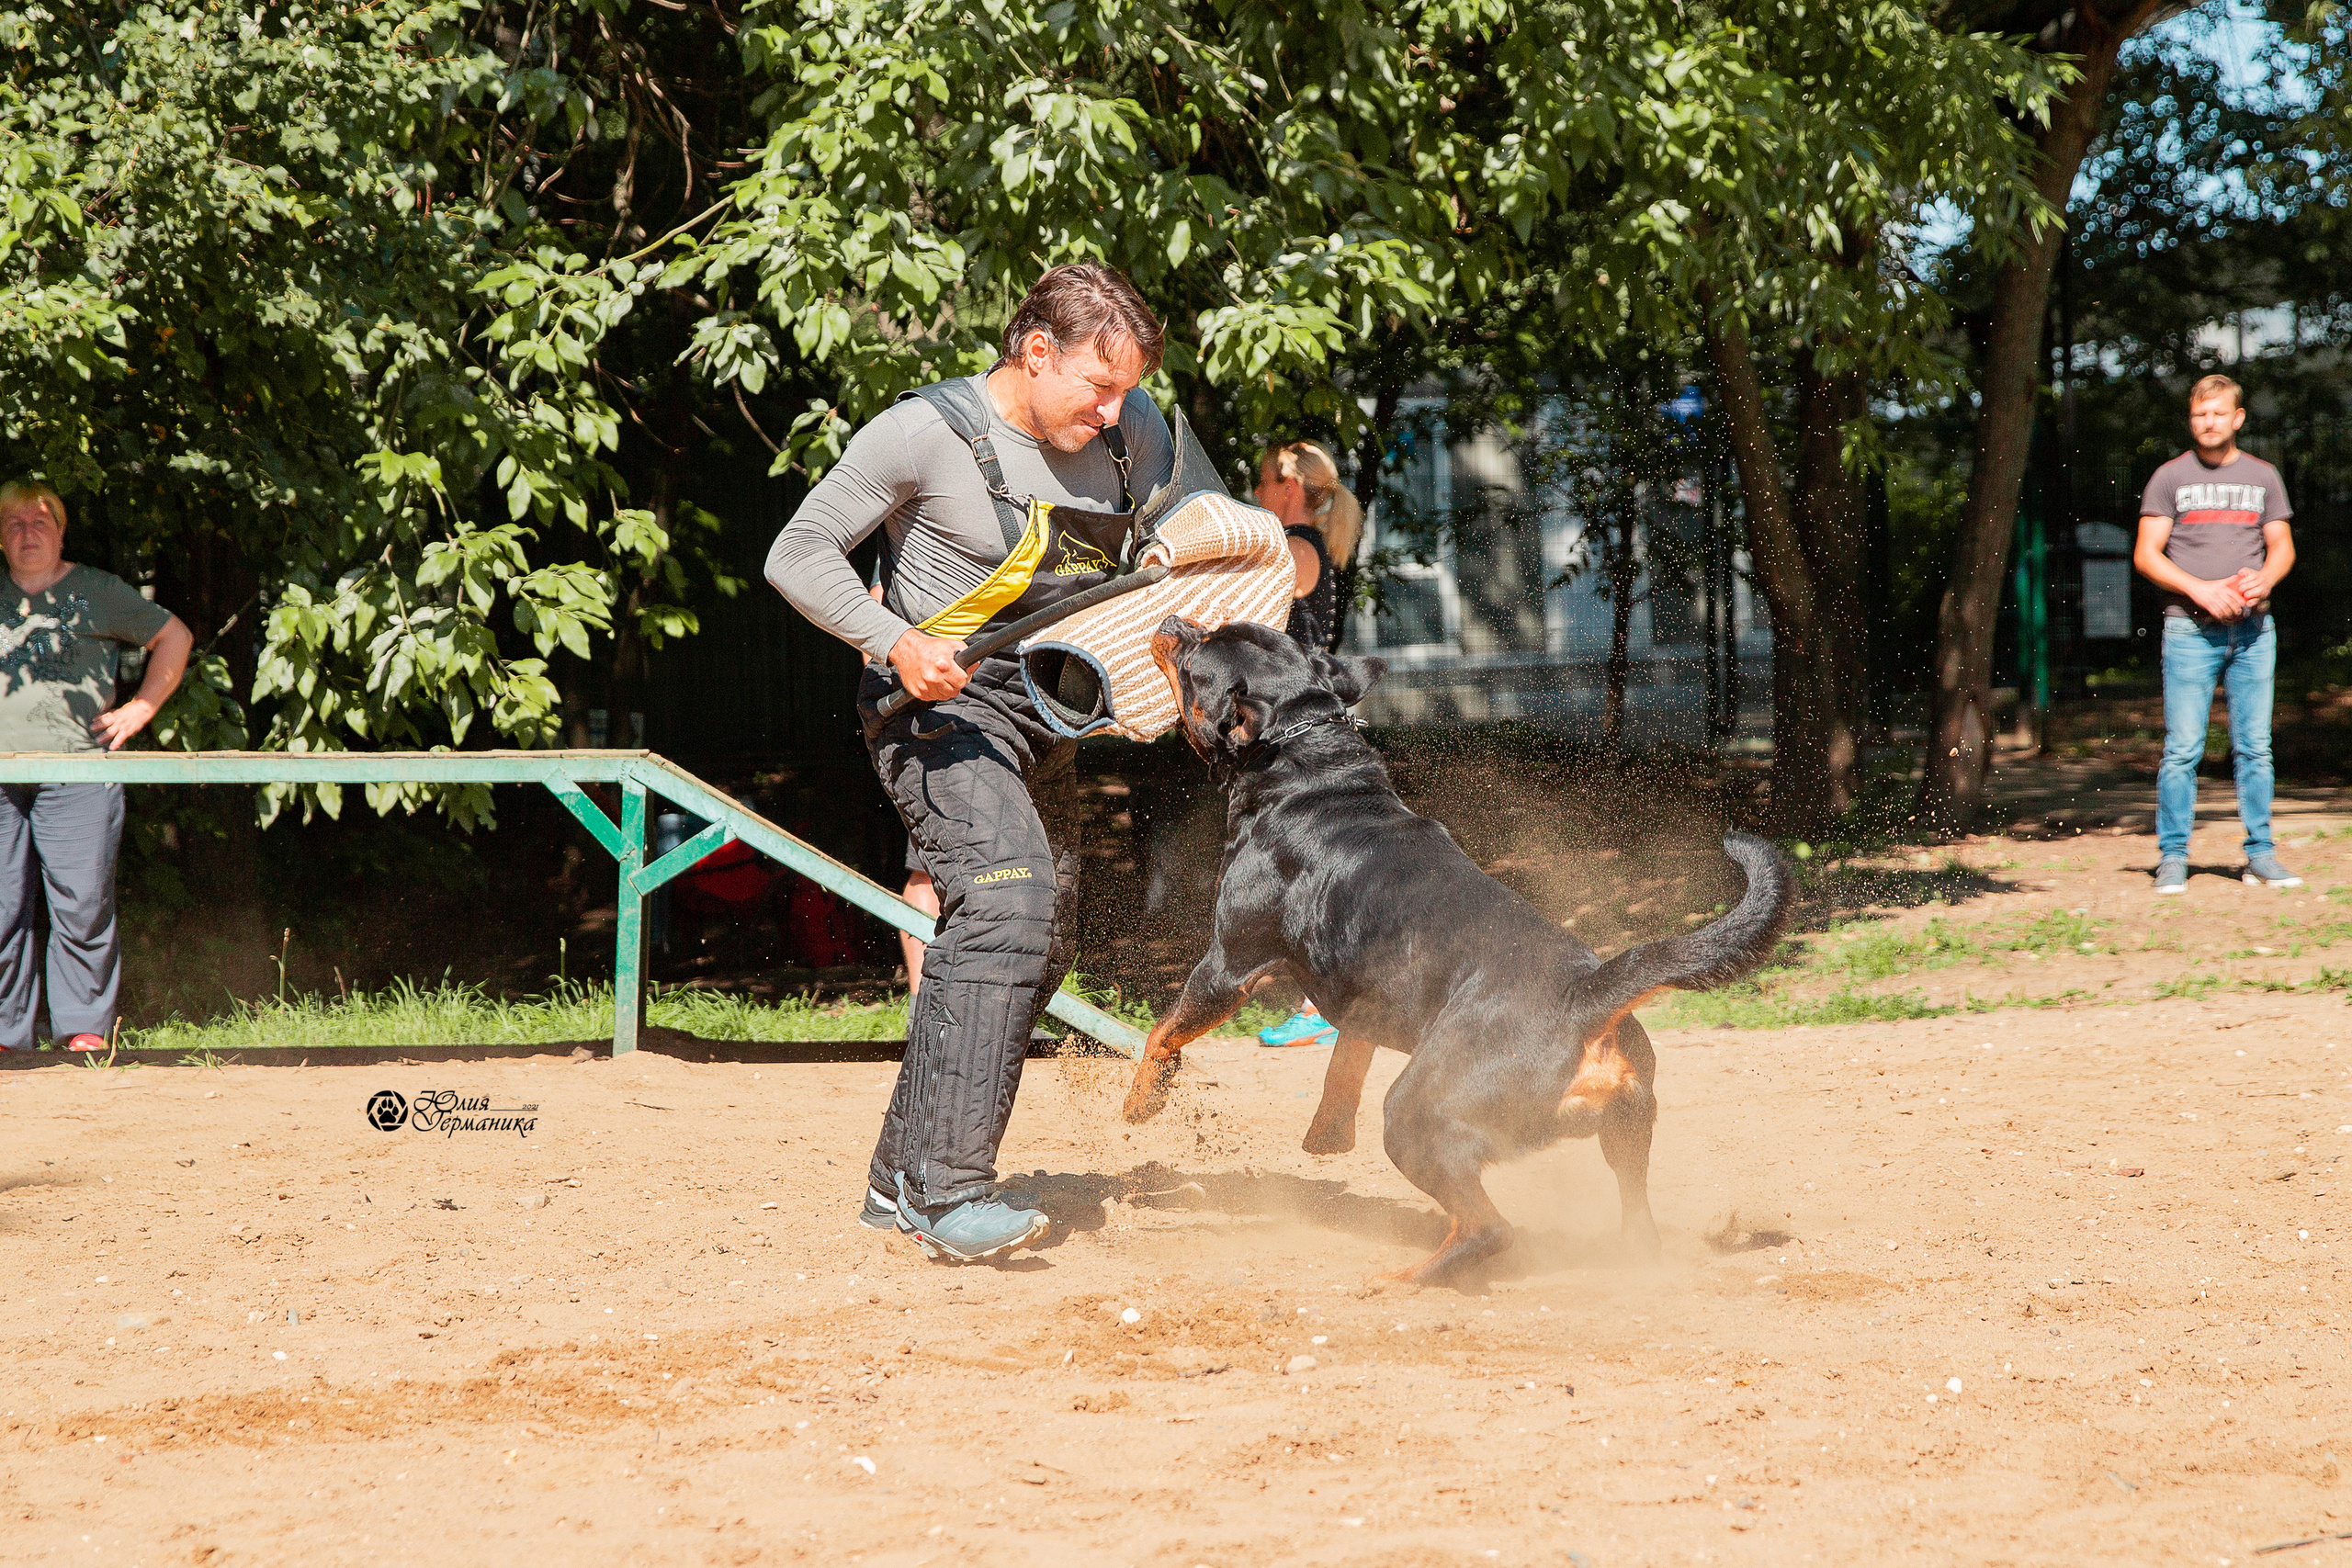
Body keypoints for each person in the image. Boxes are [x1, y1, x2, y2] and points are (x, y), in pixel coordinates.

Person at [766, 263, 1175, 1261]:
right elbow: (798, 552)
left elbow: (1178, 539)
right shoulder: (925, 434)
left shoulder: (1137, 427)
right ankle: (949, 1197)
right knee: (1006, 902)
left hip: (1045, 707)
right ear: (1036, 353)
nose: (1116, 409)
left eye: (1127, 388)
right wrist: (891, 640)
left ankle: (897, 1180)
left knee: (1038, 941)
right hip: (929, 706)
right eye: (1098, 385)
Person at [0, 481, 192, 1051]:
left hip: (79, 773)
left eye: (38, 523)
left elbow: (173, 636)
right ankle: (6, 1038)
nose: (26, 533)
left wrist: (143, 707)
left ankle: (82, 1031)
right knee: (0, 908)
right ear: (0, 540)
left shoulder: (97, 591)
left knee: (81, 905)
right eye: (13, 524)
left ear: (60, 532)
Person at [2133, 374, 2300, 896]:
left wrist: (2265, 579)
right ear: (2192, 419)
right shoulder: (2169, 478)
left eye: (2218, 413)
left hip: (2254, 632)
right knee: (2182, 749)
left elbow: (2283, 547)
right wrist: (2201, 591)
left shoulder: (2264, 477)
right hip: (2189, 630)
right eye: (2200, 414)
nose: (2208, 422)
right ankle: (2173, 858)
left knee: (2255, 748)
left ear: (2237, 418)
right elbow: (2145, 554)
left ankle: (2261, 856)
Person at [1250, 440, 1367, 1049]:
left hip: (1303, 734)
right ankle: (1325, 1001)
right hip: (1304, 729)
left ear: (1289, 488)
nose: (1255, 493)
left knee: (1308, 868)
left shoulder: (1295, 548)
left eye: (1262, 482)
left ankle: (1323, 1005)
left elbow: (1253, 613)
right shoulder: (1301, 546)